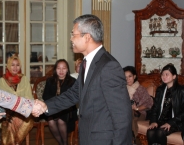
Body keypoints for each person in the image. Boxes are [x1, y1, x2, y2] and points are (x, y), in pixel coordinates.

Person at [34, 14, 132, 145]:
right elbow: (74, 94)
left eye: (73, 34)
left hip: (104, 140)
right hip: (88, 136)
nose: (71, 39)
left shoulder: (109, 67)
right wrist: (46, 106)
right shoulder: (87, 63)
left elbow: (122, 116)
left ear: (87, 37)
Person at [0, 55, 34, 145]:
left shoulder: (24, 79)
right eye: (12, 65)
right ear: (8, 66)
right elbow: (0, 99)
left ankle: (15, 142)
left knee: (26, 121)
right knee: (10, 124)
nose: (15, 67)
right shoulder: (2, 81)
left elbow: (29, 97)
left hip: (23, 111)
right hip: (8, 112)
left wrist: (21, 107)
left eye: (17, 65)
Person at [147, 64, 184, 145]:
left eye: (167, 74)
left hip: (176, 122)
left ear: (174, 76)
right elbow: (155, 107)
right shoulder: (160, 90)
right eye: (162, 74)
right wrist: (153, 121)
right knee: (150, 132)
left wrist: (170, 123)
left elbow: (183, 112)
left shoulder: (181, 91)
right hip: (161, 120)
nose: (164, 76)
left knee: (160, 132)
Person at [42, 59, 77, 145]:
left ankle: (65, 143)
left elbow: (74, 98)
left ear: (67, 69)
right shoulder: (50, 80)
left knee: (61, 121)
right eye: (59, 68)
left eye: (64, 68)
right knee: (50, 121)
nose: (61, 71)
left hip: (68, 109)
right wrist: (55, 104)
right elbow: (45, 96)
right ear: (55, 69)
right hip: (53, 108)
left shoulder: (72, 81)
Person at [123, 66, 153, 142]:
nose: (127, 79)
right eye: (125, 77)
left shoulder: (140, 89)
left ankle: (132, 139)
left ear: (134, 76)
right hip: (125, 112)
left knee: (129, 114)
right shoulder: (122, 88)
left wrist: (136, 108)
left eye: (130, 76)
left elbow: (149, 103)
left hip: (139, 112)